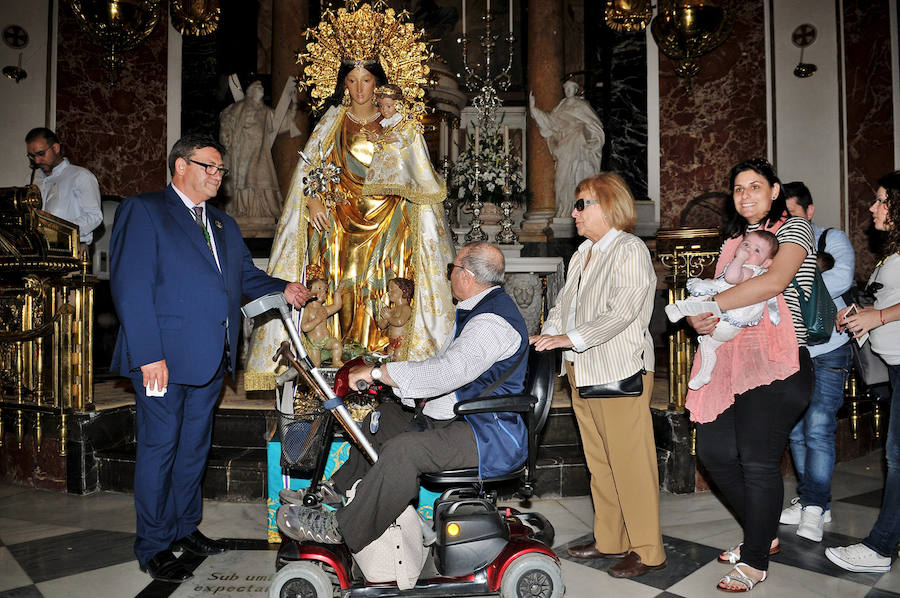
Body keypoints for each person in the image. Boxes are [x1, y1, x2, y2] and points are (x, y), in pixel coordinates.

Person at [109, 134, 309, 583]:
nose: (218, 176)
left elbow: (243, 276)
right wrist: (148, 355)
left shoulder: (222, 224)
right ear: (181, 166)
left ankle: (184, 527)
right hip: (161, 359)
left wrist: (282, 288)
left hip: (210, 358)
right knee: (160, 449)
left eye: (221, 170)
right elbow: (131, 288)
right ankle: (155, 544)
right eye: (210, 167)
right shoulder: (145, 210)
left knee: (194, 448)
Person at [244, 3, 454, 391]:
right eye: (353, 81)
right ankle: (334, 356)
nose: (359, 89)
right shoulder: (331, 123)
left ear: (379, 84)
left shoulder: (401, 126)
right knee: (341, 284)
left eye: (367, 81)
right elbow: (309, 174)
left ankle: (381, 357)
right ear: (343, 83)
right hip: (338, 223)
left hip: (388, 221)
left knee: (381, 284)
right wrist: (313, 200)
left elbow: (417, 176)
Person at [275, 242, 529, 554]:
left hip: (487, 433)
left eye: (452, 269)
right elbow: (445, 372)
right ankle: (338, 490)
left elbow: (445, 373)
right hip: (463, 419)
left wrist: (380, 373)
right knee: (385, 419)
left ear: (466, 275)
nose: (450, 275)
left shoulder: (491, 322)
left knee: (404, 451)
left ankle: (342, 527)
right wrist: (389, 381)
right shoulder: (477, 310)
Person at [684, 158, 816, 592]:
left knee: (758, 461)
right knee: (717, 453)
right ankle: (764, 532)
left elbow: (774, 281)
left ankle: (756, 559)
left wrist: (714, 306)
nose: (745, 195)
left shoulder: (794, 229)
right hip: (731, 362)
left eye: (755, 186)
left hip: (776, 362)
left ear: (775, 190)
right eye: (739, 189)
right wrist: (700, 318)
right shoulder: (733, 242)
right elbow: (720, 293)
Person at [531, 173, 665, 579]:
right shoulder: (583, 254)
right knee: (601, 463)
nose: (574, 212)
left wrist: (568, 337)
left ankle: (648, 549)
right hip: (582, 368)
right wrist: (550, 333)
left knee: (631, 465)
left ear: (609, 206)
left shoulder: (630, 249)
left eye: (583, 203)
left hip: (619, 368)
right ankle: (610, 539)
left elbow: (622, 313)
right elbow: (563, 305)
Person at [826, 171, 900, 574]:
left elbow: (890, 308)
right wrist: (859, 314)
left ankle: (880, 547)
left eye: (882, 200)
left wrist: (880, 316)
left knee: (898, 458)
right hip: (894, 366)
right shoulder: (893, 250)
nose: (872, 207)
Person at [778, 181, 855, 543]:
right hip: (790, 349)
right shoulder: (778, 242)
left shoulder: (830, 238)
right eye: (784, 214)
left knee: (819, 426)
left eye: (795, 212)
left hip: (829, 347)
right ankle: (815, 504)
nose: (790, 219)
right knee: (794, 429)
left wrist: (789, 280)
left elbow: (841, 278)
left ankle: (813, 505)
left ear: (809, 212)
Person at [666, 230, 780, 390]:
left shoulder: (750, 270)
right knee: (707, 346)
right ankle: (704, 374)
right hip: (727, 329)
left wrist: (739, 258)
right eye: (746, 245)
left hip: (725, 318)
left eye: (756, 250)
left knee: (704, 291)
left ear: (766, 263)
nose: (748, 250)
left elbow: (731, 278)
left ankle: (680, 309)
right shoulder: (752, 270)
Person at [529, 80, 605, 218]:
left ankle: (579, 209)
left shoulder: (581, 106)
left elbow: (594, 125)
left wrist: (592, 140)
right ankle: (564, 208)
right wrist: (534, 109)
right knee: (561, 179)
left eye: (571, 88)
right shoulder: (560, 107)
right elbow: (549, 122)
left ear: (576, 90)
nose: (568, 90)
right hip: (564, 146)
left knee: (577, 176)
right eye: (566, 88)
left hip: (578, 144)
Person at [25, 127, 102, 251]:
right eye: (32, 156)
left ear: (55, 148)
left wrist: (58, 232)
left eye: (41, 154)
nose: (37, 160)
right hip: (38, 248)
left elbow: (95, 216)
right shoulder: (32, 178)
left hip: (72, 248)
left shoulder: (81, 176)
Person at [218, 80, 283, 219]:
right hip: (243, 151)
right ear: (250, 91)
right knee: (245, 179)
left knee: (262, 177)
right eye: (257, 87)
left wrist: (295, 105)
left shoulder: (265, 110)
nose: (261, 89)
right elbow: (226, 120)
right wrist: (227, 136)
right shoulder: (239, 108)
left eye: (262, 87)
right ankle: (244, 209)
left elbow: (282, 121)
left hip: (260, 150)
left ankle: (262, 211)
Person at [301, 278, 344, 368]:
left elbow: (337, 306)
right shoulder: (307, 309)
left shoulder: (323, 309)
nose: (323, 292)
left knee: (337, 345)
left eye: (325, 290)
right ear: (308, 291)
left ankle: (336, 362)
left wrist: (338, 293)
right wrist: (318, 319)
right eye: (319, 288)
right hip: (314, 344)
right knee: (316, 365)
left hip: (325, 340)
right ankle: (314, 380)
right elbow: (304, 327)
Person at [377, 277, 414, 359]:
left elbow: (400, 322)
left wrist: (388, 317)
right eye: (388, 290)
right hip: (391, 342)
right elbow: (382, 326)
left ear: (403, 291)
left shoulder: (406, 308)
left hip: (401, 342)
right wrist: (384, 318)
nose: (388, 292)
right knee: (390, 359)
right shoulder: (392, 309)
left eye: (392, 289)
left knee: (398, 358)